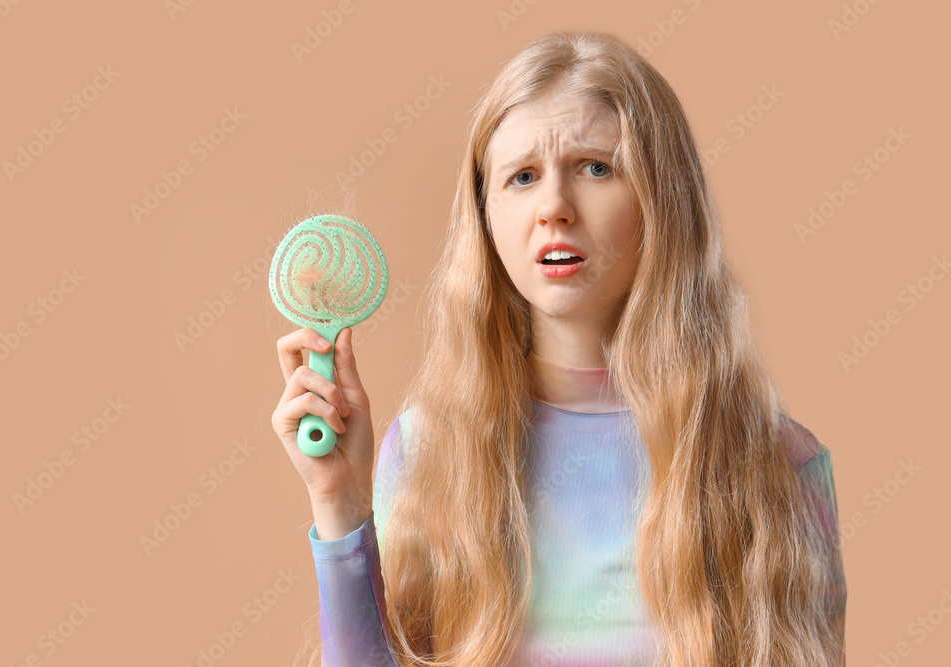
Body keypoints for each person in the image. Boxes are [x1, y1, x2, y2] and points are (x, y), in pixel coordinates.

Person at [273, 30, 847, 667]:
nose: (554, 207)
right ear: (486, 218)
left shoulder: (777, 464)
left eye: (596, 168)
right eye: (522, 177)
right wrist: (340, 505)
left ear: (666, 201)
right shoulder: (427, 454)